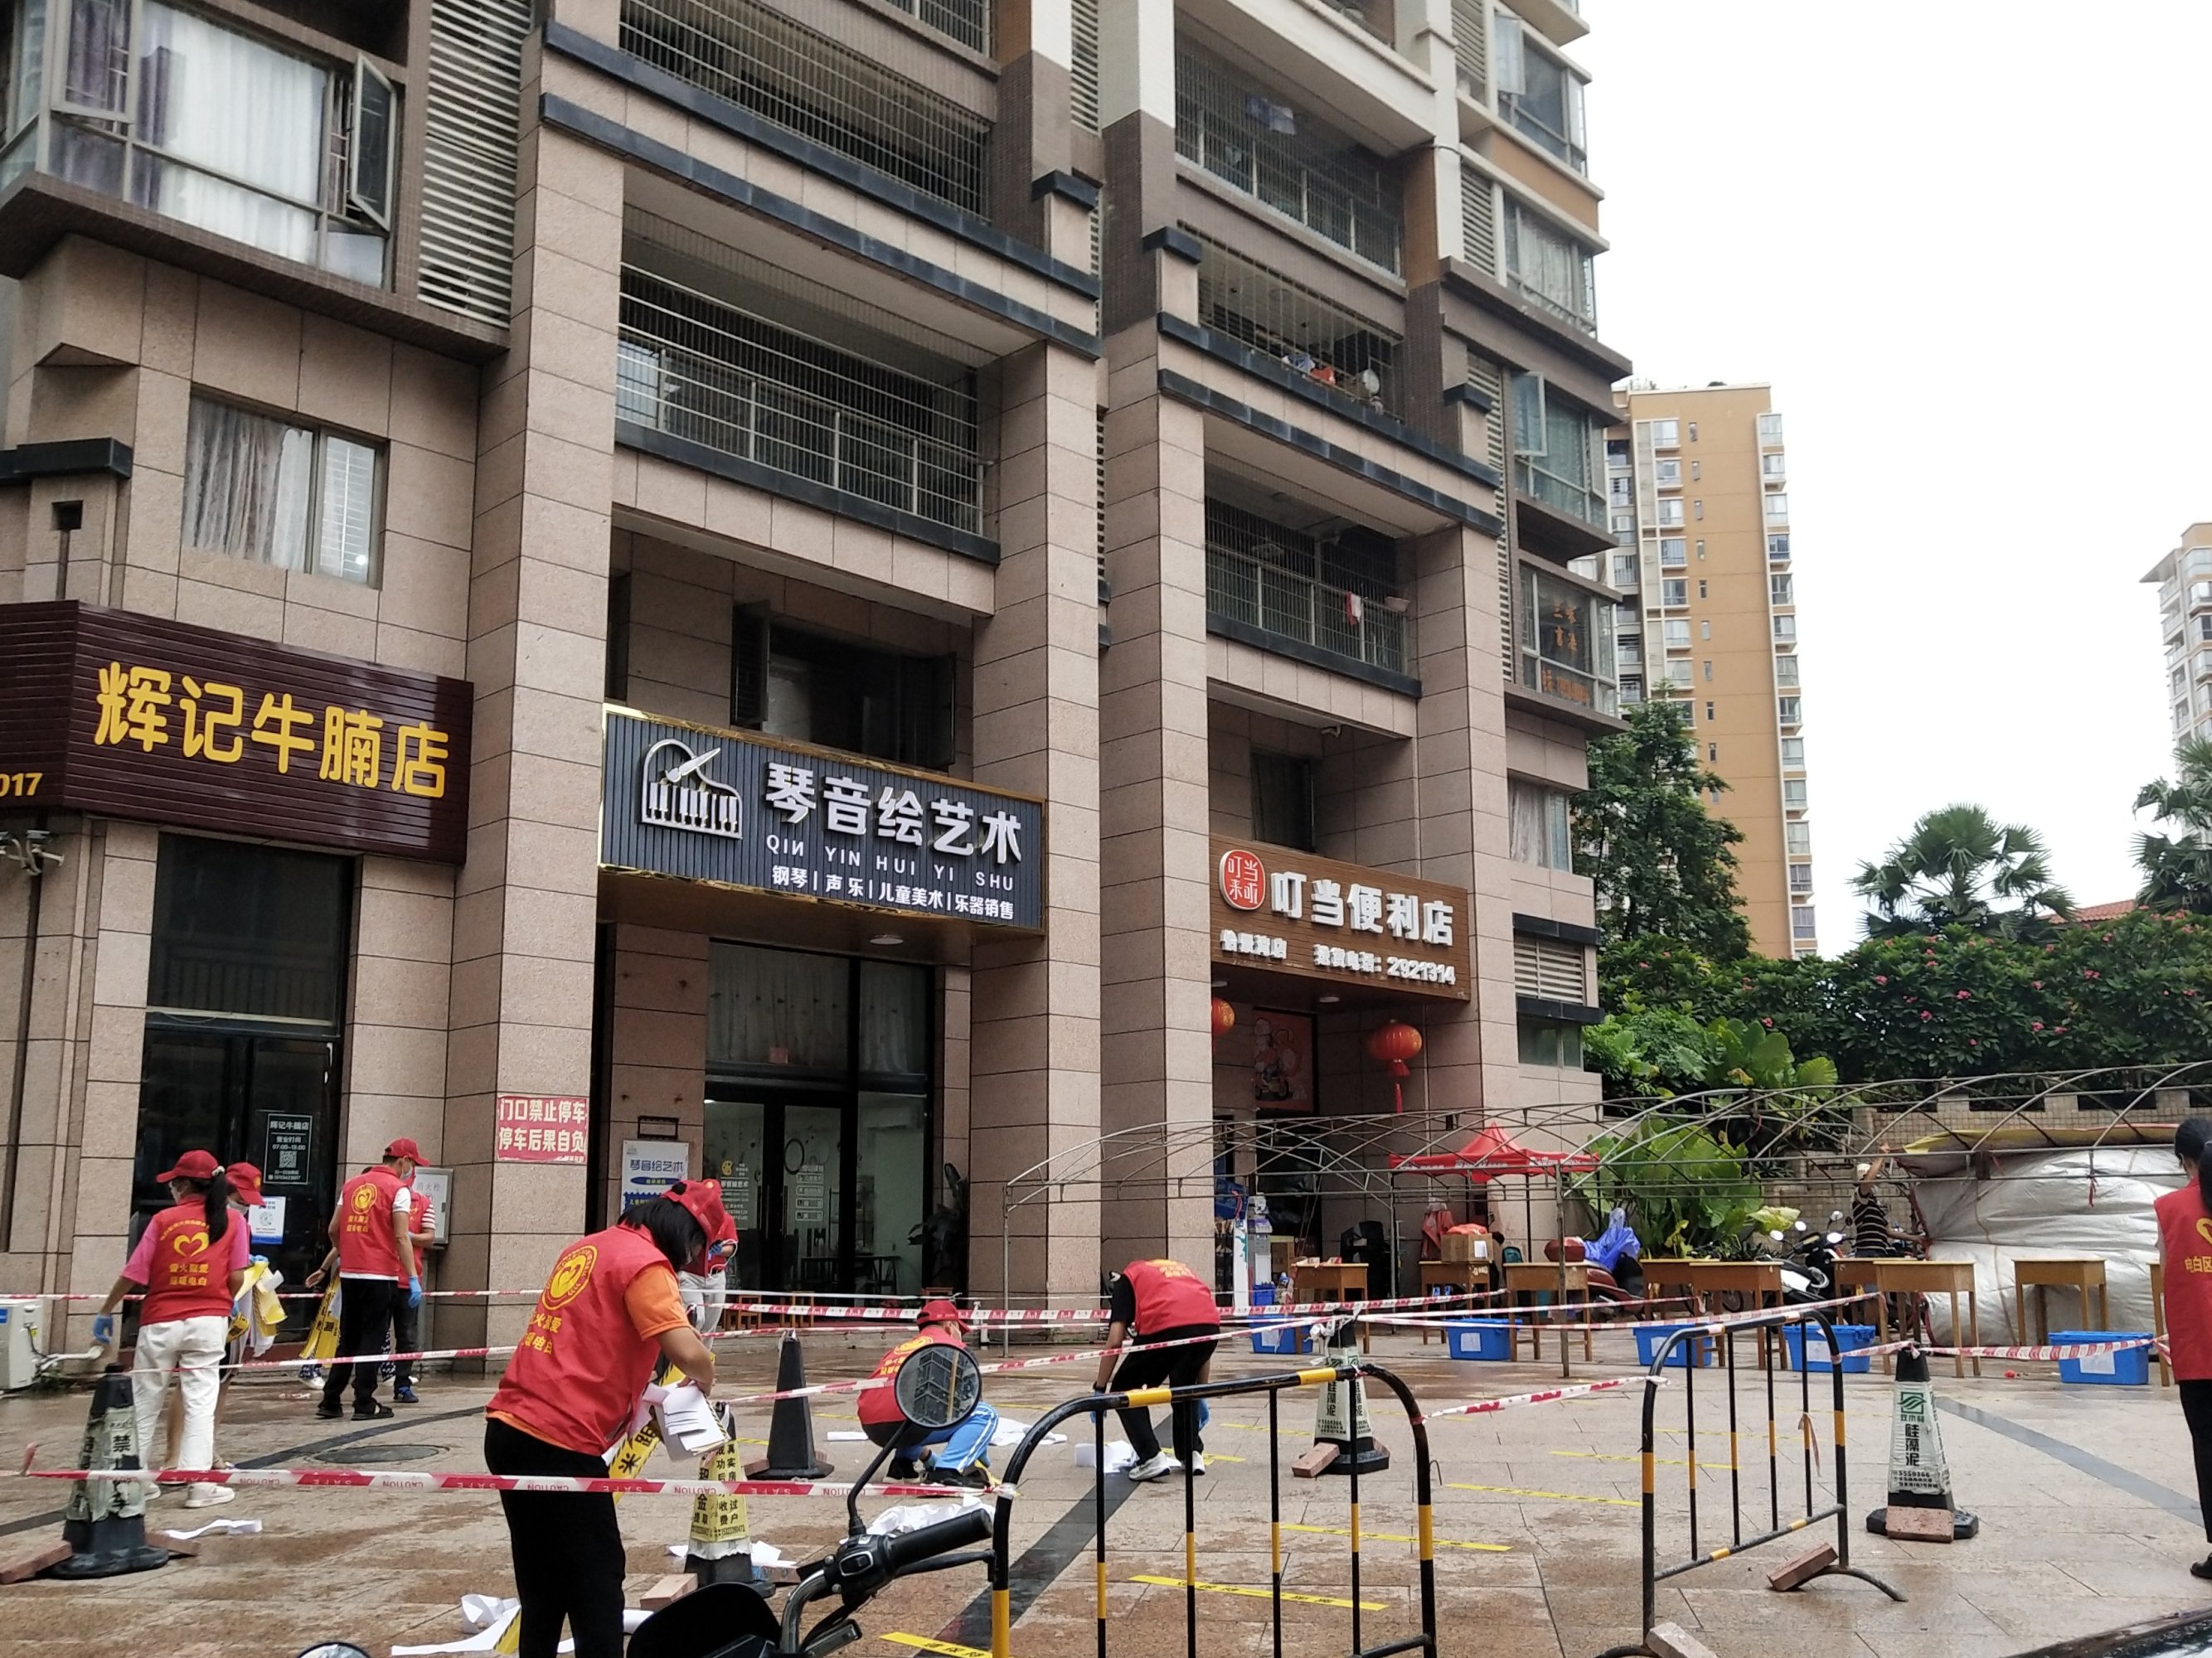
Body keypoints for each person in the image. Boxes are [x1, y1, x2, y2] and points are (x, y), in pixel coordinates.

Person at [484, 1180, 730, 1658]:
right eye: (699, 1248)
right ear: (688, 1236)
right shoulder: (646, 1265)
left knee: (543, 1582)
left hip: (509, 1428)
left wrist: (637, 1399)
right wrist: (705, 1377)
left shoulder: (589, 1248)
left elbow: (591, 1342)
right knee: (597, 1580)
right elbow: (688, 1351)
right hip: (561, 1440)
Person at [90, 1150, 250, 1510]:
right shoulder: (233, 1222)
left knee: (145, 1400)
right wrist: (223, 1300)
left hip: (159, 1320)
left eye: (174, 1184)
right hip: (209, 1321)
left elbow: (133, 1273)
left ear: (183, 1185)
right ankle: (200, 1487)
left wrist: (105, 1310)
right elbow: (238, 1275)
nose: (172, 1189)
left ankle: (133, 1484)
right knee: (200, 1402)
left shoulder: (164, 1220)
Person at [312, 1138, 423, 1421]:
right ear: (403, 1161)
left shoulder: (352, 1184)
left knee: (347, 1339)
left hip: (350, 1274)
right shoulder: (397, 1190)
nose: (411, 1170)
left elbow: (334, 1229)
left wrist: (349, 1251)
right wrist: (412, 1277)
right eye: (412, 1163)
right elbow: (401, 1236)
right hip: (380, 1274)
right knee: (372, 1339)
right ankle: (364, 1402)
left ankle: (330, 1400)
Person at [1092, 1257, 1220, 1482]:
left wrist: (1100, 1389)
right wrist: (1201, 1390)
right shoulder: (1179, 1271)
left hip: (1166, 1325)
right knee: (1185, 1386)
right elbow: (1200, 1341)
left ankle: (1151, 1457)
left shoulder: (1126, 1280)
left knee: (1125, 1388)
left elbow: (1115, 1340)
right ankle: (1191, 1453)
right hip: (1210, 1326)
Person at [858, 1300, 996, 1489]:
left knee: (918, 1409)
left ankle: (902, 1466)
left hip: (873, 1428)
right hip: (911, 1422)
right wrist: (978, 1454)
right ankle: (946, 1471)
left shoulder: (898, 1350)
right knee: (985, 1414)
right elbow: (972, 1404)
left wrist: (928, 1457)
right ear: (949, 1326)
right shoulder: (957, 1349)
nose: (961, 1337)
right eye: (960, 1330)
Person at [2157, 1118, 2212, 1580]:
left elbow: (2165, 1271)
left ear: (2183, 1161)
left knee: (2210, 1450)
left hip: (2199, 1350)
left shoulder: (2169, 1208)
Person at [1851, 1146, 1895, 1258]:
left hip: (1879, 1250)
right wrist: (1881, 1156)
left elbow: (1889, 1231)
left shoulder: (1874, 1205)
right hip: (1868, 1251)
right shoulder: (1860, 1196)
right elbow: (1867, 1182)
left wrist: (1916, 1238)